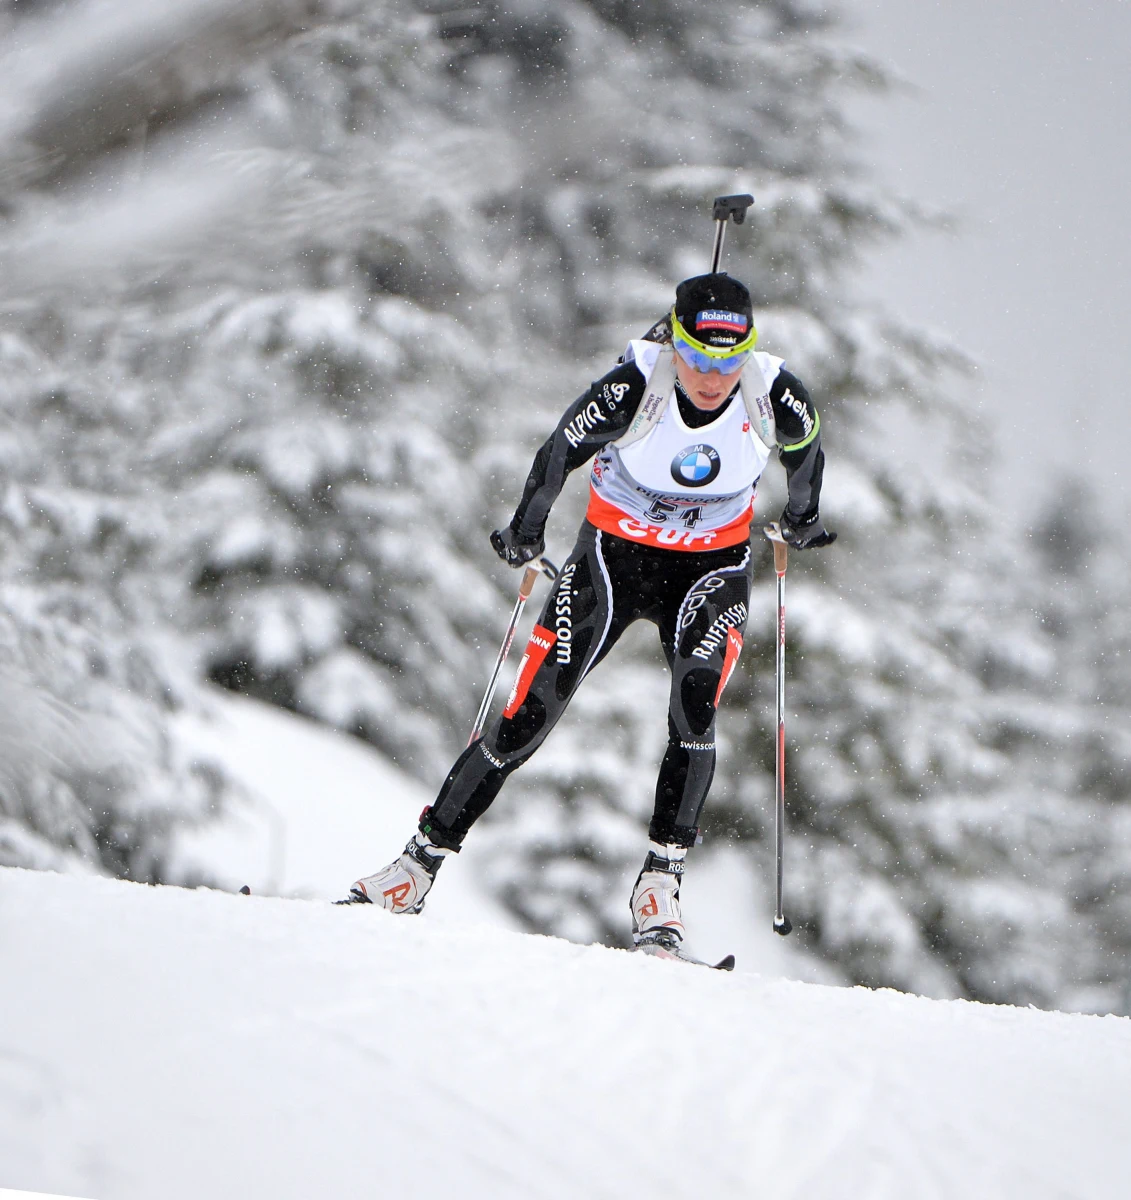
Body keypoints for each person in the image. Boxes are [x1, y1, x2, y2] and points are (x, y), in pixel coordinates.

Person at [344, 273, 835, 955]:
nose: (713, 376)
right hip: (613, 559)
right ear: (675, 341)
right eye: (698, 355)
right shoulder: (636, 383)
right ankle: (414, 868)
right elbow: (558, 451)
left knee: (694, 710)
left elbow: (806, 447)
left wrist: (802, 518)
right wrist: (526, 528)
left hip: (711, 568)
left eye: (729, 359)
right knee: (528, 715)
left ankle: (659, 887)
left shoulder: (771, 390)